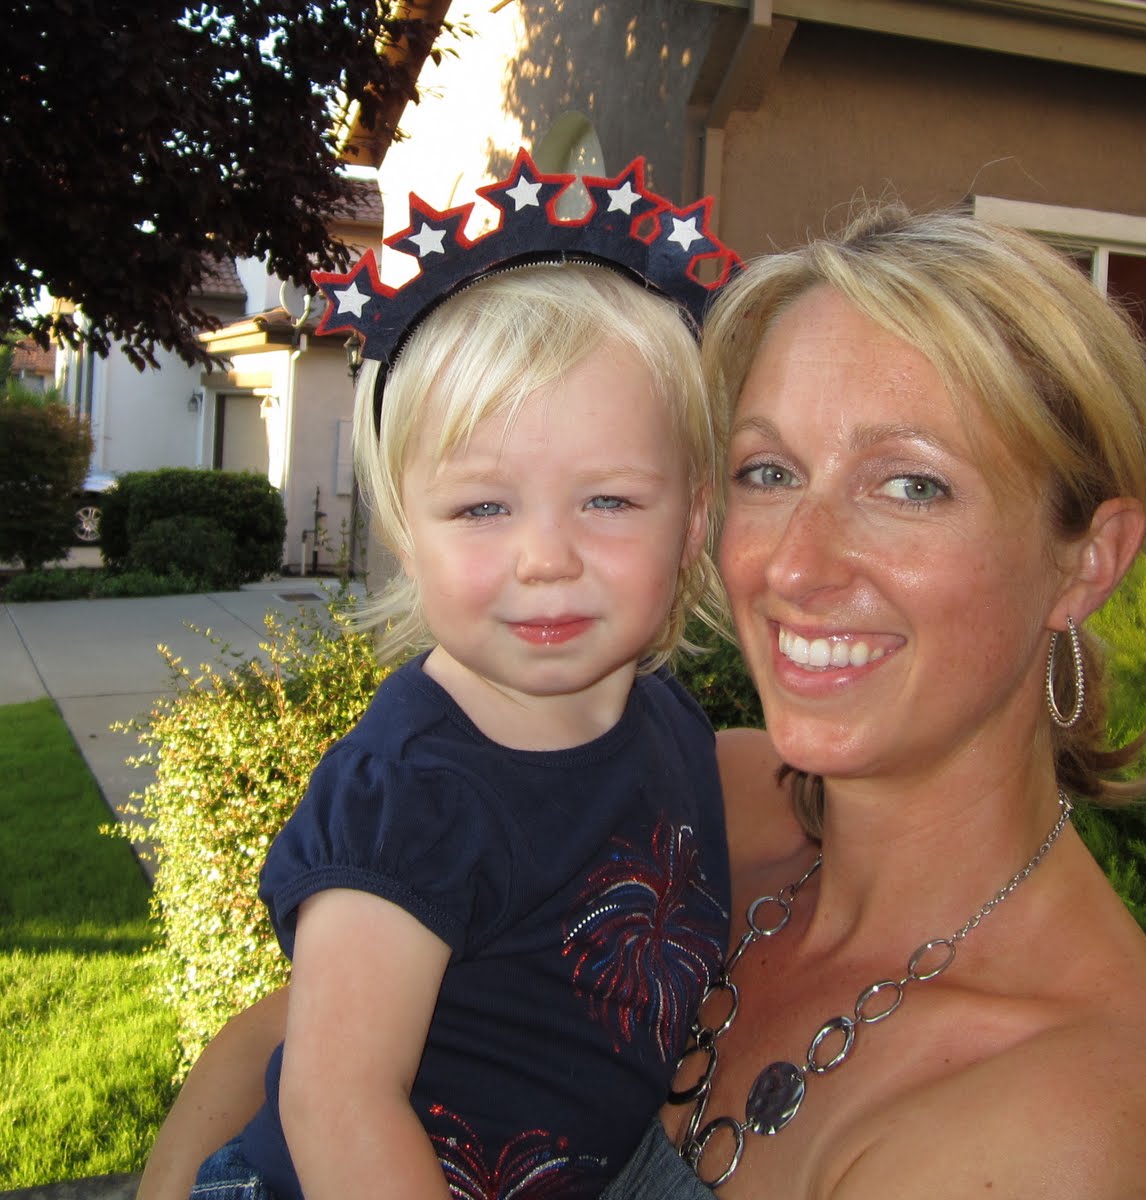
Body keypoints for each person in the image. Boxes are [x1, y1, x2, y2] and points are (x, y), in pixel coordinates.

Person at [140, 201, 1146, 1200]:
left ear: (1087, 560)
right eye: (769, 472)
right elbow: (286, 1049)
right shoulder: (706, 791)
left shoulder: (1079, 1133)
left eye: (911, 484)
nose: (794, 564)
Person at [178, 158, 741, 1200]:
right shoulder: (410, 793)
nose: (545, 557)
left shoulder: (671, 727)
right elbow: (337, 1099)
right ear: (407, 535)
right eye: (483, 508)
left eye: (610, 501)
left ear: (694, 520)